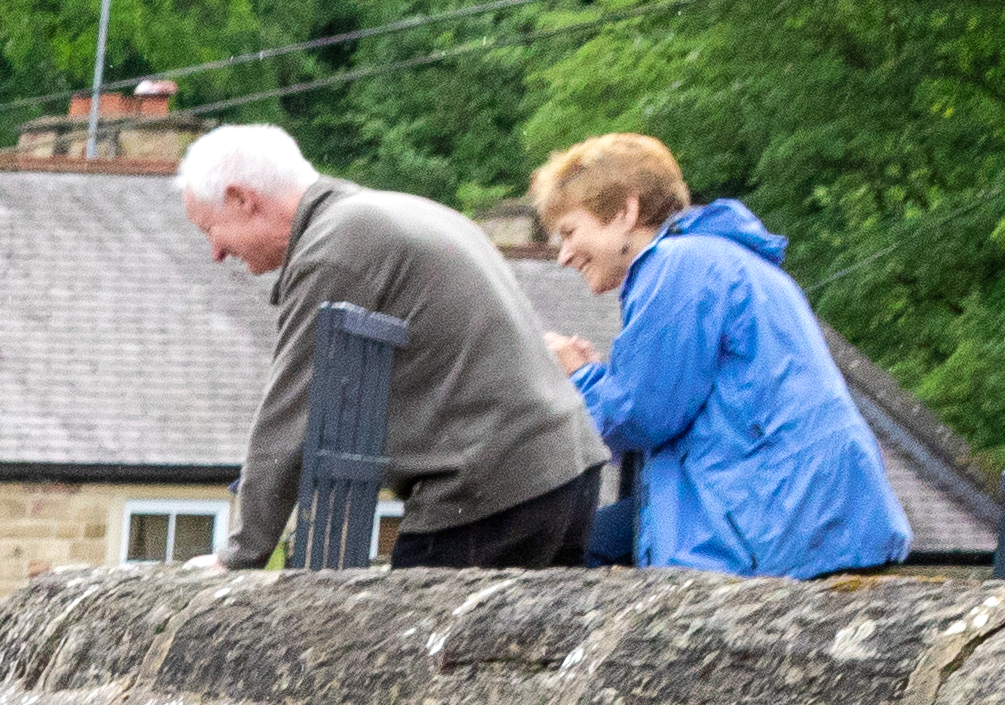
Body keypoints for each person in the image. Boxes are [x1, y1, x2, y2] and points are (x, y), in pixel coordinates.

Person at [182, 120, 610, 572]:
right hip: (566, 468)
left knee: (410, 638)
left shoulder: (334, 248)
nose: (215, 253)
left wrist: (241, 554)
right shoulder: (395, 211)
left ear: (242, 199)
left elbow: (291, 411)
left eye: (210, 229)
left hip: (489, 489)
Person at [534, 134, 913, 581]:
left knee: (561, 555)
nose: (562, 257)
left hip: (774, 517)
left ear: (624, 213)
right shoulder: (719, 258)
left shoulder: (677, 267)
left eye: (570, 232)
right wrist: (600, 378)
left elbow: (643, 416)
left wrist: (579, 376)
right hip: (803, 508)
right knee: (593, 542)